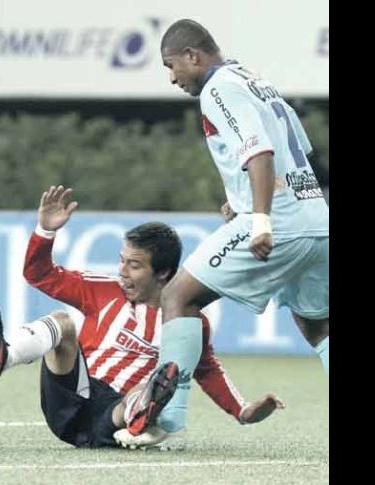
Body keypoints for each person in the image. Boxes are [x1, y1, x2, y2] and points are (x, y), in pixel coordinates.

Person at [121, 19, 329, 445]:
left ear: (193, 56)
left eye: (171, 65)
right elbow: (302, 155)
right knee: (319, 327)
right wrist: (239, 199)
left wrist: (260, 219)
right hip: (316, 219)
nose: (172, 77)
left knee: (178, 296)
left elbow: (260, 151)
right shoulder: (257, 82)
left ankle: (166, 417)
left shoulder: (219, 88)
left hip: (282, 220)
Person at [0, 185, 284, 449]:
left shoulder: (188, 322)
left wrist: (242, 410)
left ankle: (141, 417)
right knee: (62, 323)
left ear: (163, 273)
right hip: (71, 397)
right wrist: (45, 231)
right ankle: (2, 357)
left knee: (159, 380)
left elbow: (207, 370)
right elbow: (39, 274)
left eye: (134, 265)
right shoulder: (103, 290)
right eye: (122, 261)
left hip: (114, 414)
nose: (122, 272)